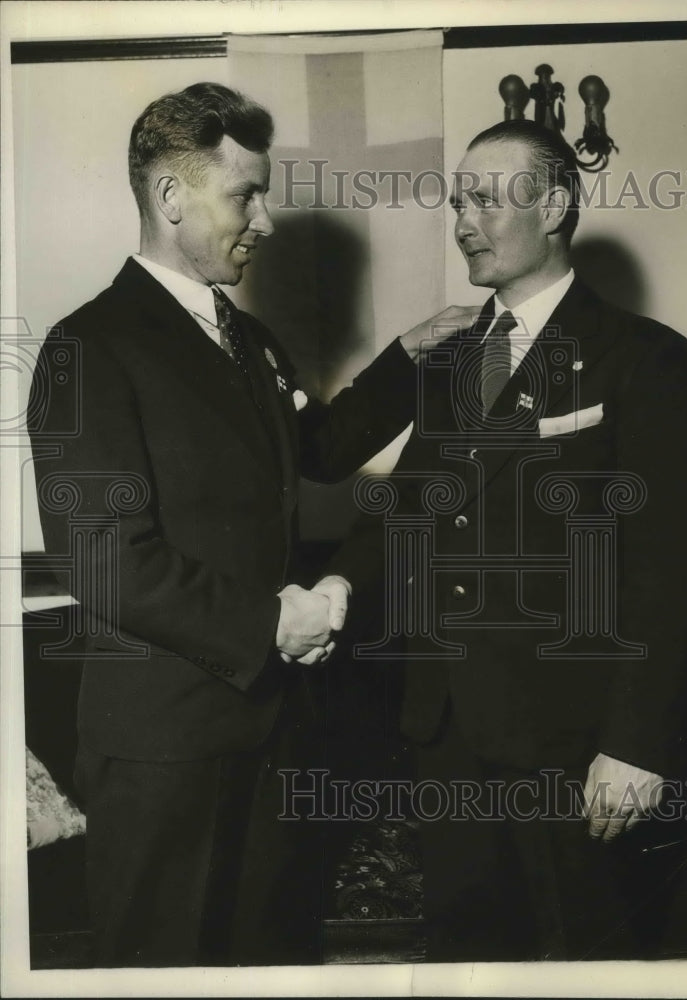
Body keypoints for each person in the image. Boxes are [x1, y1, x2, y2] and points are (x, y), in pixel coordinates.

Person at [27, 82, 474, 967]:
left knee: (267, 961)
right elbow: (105, 562)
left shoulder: (249, 339)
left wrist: (409, 358)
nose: (264, 220)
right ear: (169, 198)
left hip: (273, 733)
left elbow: (316, 449)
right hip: (163, 756)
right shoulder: (87, 347)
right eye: (246, 194)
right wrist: (274, 622)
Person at [330, 120, 687, 960]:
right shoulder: (449, 357)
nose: (463, 219)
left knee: (595, 957)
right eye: (456, 200)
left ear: (552, 206)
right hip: (448, 734)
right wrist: (332, 589)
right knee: (467, 957)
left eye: (485, 198)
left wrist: (635, 744)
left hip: (576, 742)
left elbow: (671, 569)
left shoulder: (646, 359)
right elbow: (406, 512)